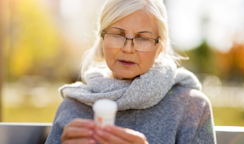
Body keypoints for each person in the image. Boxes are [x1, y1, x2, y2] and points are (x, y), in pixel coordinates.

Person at [45, 0, 216, 143]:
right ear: (102, 40)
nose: (127, 48)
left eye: (142, 38)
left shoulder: (192, 107)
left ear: (159, 48)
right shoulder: (71, 107)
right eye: (118, 34)